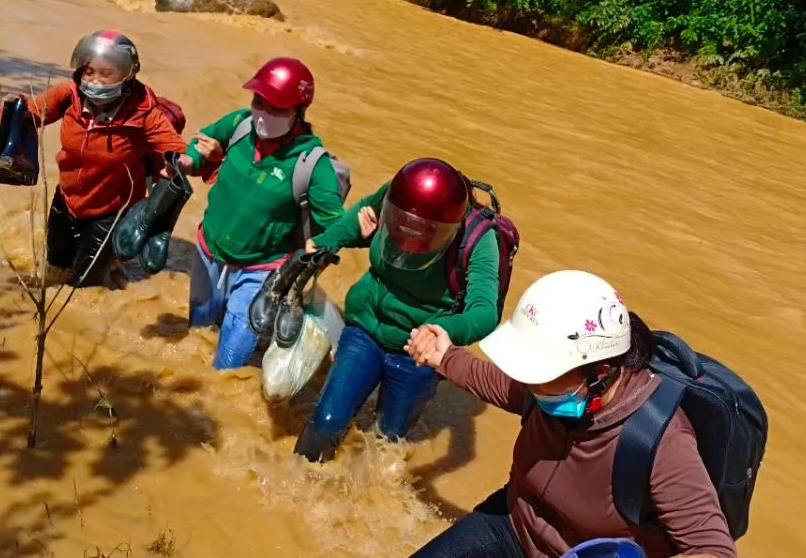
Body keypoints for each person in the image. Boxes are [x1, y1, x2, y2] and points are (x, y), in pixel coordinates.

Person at [405, 270, 737, 558]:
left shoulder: (659, 439)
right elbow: (496, 382)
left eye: (538, 375)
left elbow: (712, 548)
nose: (527, 384)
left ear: (600, 373)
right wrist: (445, 356)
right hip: (513, 523)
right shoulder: (549, 383)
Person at [293, 157, 501, 463]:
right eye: (404, 225)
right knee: (324, 425)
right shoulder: (399, 194)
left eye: (424, 231)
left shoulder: (480, 239)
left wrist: (442, 331)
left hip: (417, 351)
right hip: (365, 328)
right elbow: (361, 211)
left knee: (386, 441)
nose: (408, 240)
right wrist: (324, 243)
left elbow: (485, 311)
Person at [179, 57, 345, 370]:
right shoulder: (240, 125)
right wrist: (189, 163)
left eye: (277, 108)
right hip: (209, 251)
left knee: (230, 362)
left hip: (260, 269)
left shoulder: (311, 164)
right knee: (197, 334)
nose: (264, 114)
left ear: (299, 110)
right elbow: (201, 141)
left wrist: (316, 254)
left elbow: (335, 226)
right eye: (259, 101)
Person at [6, 30, 187, 287]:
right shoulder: (68, 95)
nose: (95, 81)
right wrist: (13, 108)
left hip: (112, 210)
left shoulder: (144, 113)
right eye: (89, 72)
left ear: (127, 75)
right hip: (67, 198)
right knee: (55, 266)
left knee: (83, 287)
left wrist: (182, 164)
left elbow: (176, 149)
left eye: (106, 73)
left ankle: (108, 269)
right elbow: (32, 114)